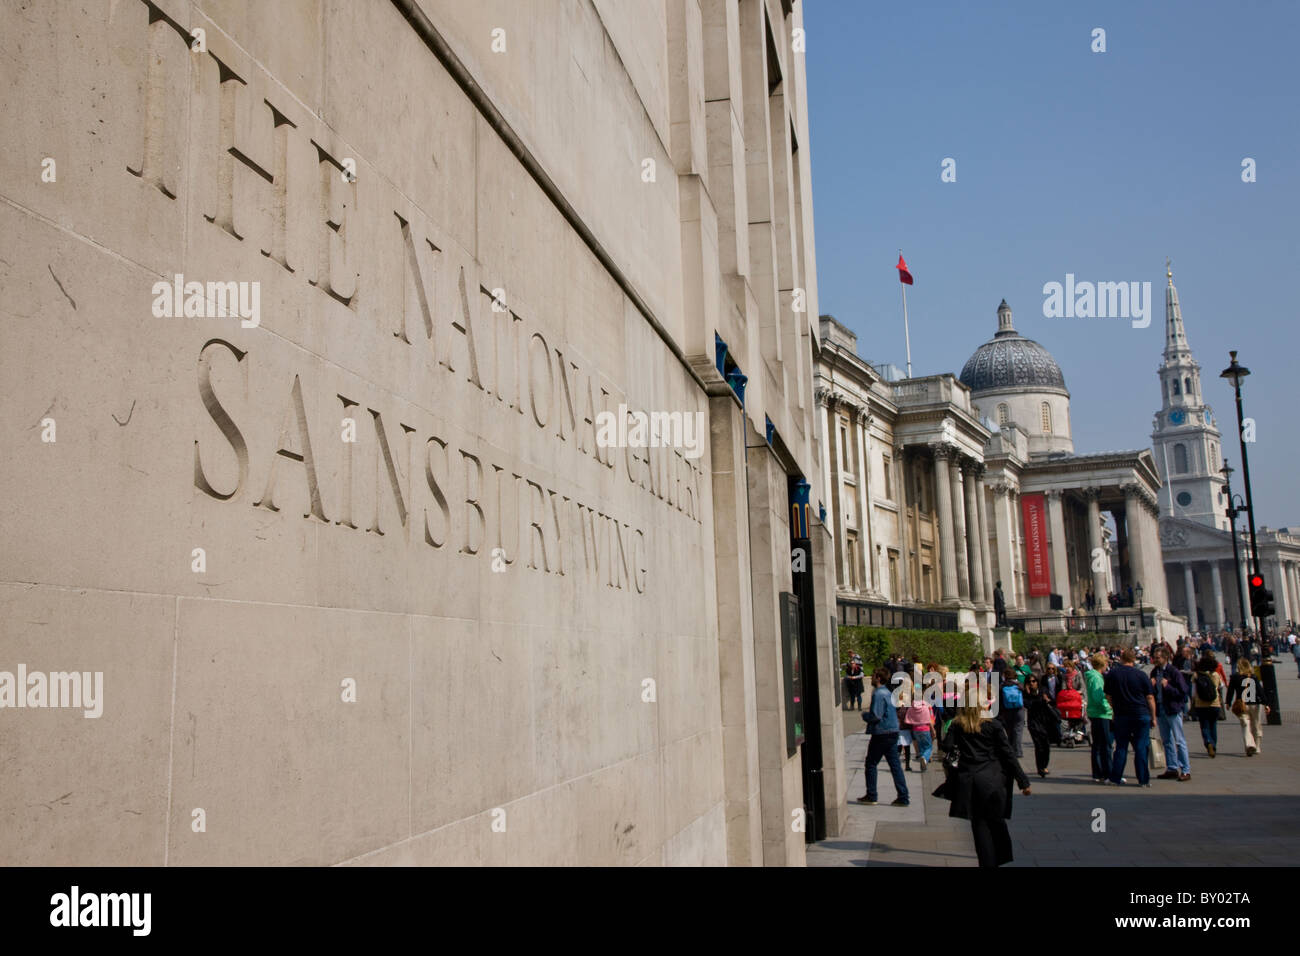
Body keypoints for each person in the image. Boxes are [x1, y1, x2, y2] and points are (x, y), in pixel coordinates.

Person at [935, 703, 1031, 868]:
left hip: (969, 781)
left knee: (979, 825)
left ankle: (987, 862)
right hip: (993, 780)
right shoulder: (993, 725)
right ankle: (997, 858)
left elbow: (947, 746)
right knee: (996, 821)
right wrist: (1022, 781)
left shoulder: (958, 725)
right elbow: (1008, 754)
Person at [1103, 648, 1155, 786]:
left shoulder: (1113, 674)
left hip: (1122, 714)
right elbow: (1150, 697)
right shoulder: (1141, 675)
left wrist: (1113, 709)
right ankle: (1143, 780)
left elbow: (1108, 696)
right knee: (1141, 747)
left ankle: (1115, 778)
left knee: (1121, 747)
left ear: (1121, 659)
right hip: (1141, 713)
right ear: (1133, 660)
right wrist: (1153, 716)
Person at [860, 668, 910, 806]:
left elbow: (876, 715)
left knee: (871, 763)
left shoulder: (878, 693)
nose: (871, 678)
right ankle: (903, 796)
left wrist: (865, 716)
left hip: (882, 733)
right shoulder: (888, 692)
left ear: (878, 678)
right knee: (895, 766)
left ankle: (872, 795)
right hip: (893, 732)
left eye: (873, 676)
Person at [1150, 646, 1191, 781]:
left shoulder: (1173, 672)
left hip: (1172, 709)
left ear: (1165, 657)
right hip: (1161, 709)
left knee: (1179, 740)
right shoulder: (1154, 672)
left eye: (1158, 658)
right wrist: (1151, 685)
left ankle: (1185, 769)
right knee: (1166, 740)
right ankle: (1172, 768)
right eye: (1155, 657)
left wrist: (1168, 687)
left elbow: (1183, 691)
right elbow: (1151, 693)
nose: (1155, 660)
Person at [1226, 658, 1270, 756]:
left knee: (1245, 725)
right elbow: (1260, 691)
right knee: (1256, 724)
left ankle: (1249, 744)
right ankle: (1257, 746)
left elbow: (1230, 690)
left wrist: (1228, 702)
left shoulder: (1235, 677)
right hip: (1255, 703)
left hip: (1242, 704)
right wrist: (1266, 704)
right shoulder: (1253, 677)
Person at [1023, 675, 1061, 777]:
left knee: (1046, 746)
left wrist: (1047, 700)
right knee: (1038, 745)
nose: (1032, 683)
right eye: (1029, 682)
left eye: (1033, 681)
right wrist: (1033, 697)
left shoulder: (1043, 690)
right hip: (1033, 722)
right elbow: (1028, 705)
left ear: (1037, 682)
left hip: (1045, 721)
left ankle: (1044, 765)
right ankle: (1040, 768)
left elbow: (1053, 701)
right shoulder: (1026, 693)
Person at [1084, 652, 1113, 782]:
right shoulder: (1096, 677)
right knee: (1105, 745)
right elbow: (1098, 696)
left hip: (1094, 712)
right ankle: (1107, 773)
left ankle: (1098, 772)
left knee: (1097, 744)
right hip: (1101, 713)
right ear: (1103, 664)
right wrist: (1109, 709)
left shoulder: (1093, 676)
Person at [1190, 651, 1225, 757]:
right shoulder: (1215, 674)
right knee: (1213, 725)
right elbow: (1221, 686)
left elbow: (1192, 692)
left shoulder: (1196, 675)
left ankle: (1208, 742)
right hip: (1214, 703)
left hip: (1201, 704)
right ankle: (1213, 745)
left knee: (1204, 726)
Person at [998, 670, 1026, 757]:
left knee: (1009, 730)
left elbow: (999, 699)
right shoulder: (1019, 685)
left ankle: (1011, 749)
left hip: (1007, 710)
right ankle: (1018, 751)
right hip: (1019, 709)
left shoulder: (1002, 686)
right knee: (1018, 730)